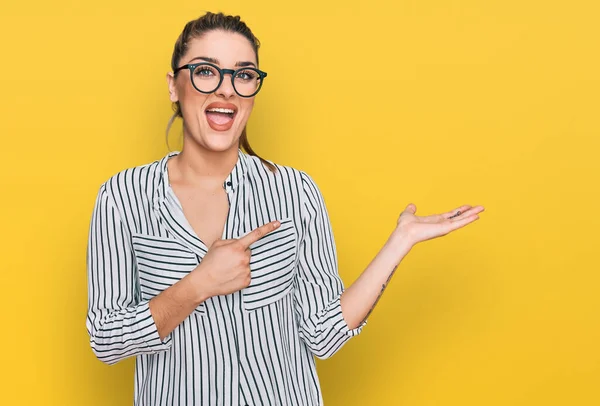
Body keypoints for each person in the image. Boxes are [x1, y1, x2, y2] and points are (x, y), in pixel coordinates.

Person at [85, 11, 485, 406]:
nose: (226, 90)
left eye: (243, 75)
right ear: (174, 86)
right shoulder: (122, 198)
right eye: (206, 71)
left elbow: (324, 334)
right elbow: (105, 339)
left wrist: (402, 240)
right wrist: (198, 285)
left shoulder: (295, 192)